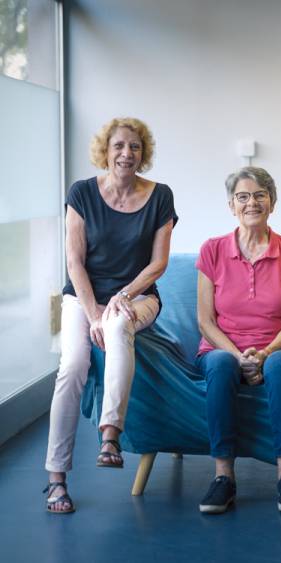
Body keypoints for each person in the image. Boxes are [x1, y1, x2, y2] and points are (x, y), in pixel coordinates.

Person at [45, 117, 178, 513]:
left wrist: (120, 297)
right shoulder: (82, 193)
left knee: (120, 324)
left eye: (135, 147)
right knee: (71, 366)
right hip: (83, 298)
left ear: (144, 153)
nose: (126, 153)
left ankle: (110, 435)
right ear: (106, 151)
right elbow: (74, 261)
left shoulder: (160, 196)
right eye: (119, 146)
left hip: (138, 297)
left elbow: (158, 264)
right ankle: (56, 478)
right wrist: (93, 312)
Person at [196, 166, 281, 514]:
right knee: (219, 363)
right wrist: (238, 355)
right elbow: (205, 320)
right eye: (243, 197)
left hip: (278, 346)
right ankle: (223, 478)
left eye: (260, 195)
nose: (252, 203)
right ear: (232, 205)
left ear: (272, 203)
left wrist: (266, 352)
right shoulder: (212, 250)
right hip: (222, 347)